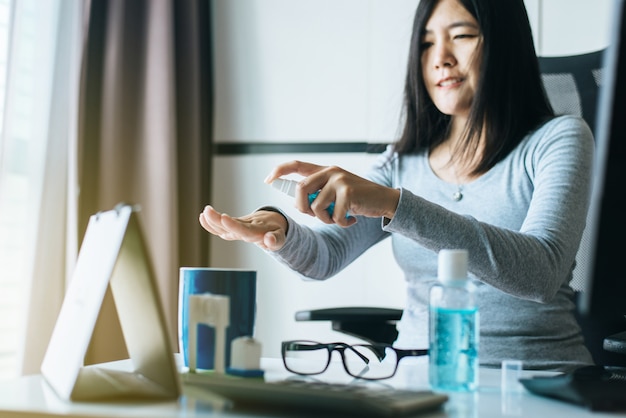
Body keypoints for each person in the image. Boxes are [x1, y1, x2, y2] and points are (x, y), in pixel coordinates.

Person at [199, 0, 594, 371]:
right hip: (416, 378)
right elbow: (326, 256)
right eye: (426, 43)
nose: (440, 58)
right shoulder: (401, 161)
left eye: (462, 35)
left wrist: (396, 205)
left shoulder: (558, 139)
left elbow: (542, 273)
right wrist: (282, 232)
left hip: (536, 381)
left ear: (504, 43)